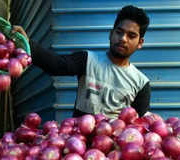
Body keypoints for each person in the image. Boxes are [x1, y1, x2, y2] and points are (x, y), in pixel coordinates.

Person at [12, 5, 151, 119]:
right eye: (119, 32)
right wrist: (27, 44)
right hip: (79, 144)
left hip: (114, 149)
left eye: (131, 36)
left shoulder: (140, 83)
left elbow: (137, 126)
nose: (123, 39)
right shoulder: (88, 60)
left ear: (140, 43)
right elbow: (56, 65)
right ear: (111, 34)